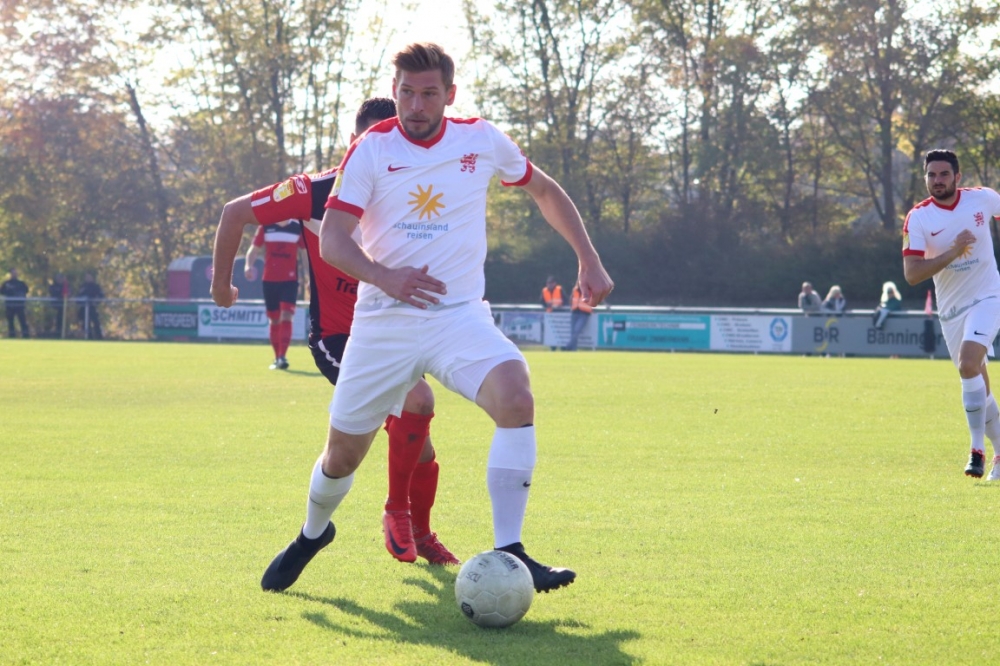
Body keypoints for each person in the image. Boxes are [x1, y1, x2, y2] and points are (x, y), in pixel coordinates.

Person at [256, 42, 613, 596]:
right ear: (394, 91)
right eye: (406, 93)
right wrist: (385, 277)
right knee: (342, 457)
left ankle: (511, 550)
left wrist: (588, 258)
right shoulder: (371, 149)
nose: (416, 105)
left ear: (450, 94)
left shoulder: (481, 139)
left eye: (428, 94)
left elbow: (544, 190)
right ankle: (312, 533)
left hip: (457, 317)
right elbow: (333, 240)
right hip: (383, 324)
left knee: (516, 396)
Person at [212, 97, 459, 569]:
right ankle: (363, 521)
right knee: (401, 415)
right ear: (352, 145)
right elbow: (234, 213)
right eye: (371, 142)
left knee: (420, 439)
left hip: (395, 336)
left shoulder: (419, 195)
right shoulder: (314, 191)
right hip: (338, 338)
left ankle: (420, 533)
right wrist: (221, 285)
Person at [902, 148, 1000, 480]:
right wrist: (953, 251)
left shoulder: (982, 198)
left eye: (944, 174)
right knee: (978, 383)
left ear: (957, 176)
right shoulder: (918, 218)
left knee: (968, 364)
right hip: (952, 310)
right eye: (931, 175)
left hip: (989, 297)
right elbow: (912, 274)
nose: (938, 180)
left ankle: (976, 450)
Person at [244, 219, 307, 370]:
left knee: (286, 315)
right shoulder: (266, 226)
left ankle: (282, 356)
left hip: (290, 280)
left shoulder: (297, 227)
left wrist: (308, 277)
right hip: (269, 280)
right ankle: (277, 357)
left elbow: (305, 254)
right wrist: (248, 265)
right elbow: (254, 248)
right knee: (274, 319)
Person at [563, 280, 594, 351]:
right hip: (575, 312)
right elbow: (571, 299)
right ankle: (573, 349)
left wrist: (606, 305)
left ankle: (568, 346)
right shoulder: (575, 290)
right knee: (573, 332)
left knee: (576, 331)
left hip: (584, 313)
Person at [1, 268, 30, 338]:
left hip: (19, 306)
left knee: (22, 321)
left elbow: (26, 290)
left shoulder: (21, 283)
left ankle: (25, 336)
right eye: (13, 273)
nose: (14, 274)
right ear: (10, 274)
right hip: (10, 306)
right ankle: (12, 336)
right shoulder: (6, 284)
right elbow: (2, 291)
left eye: (15, 273)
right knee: (10, 322)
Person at [77, 273, 104, 340]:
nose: (87, 278)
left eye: (89, 277)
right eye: (86, 277)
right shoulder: (82, 286)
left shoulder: (96, 286)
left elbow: (101, 296)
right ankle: (89, 337)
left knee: (96, 322)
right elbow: (78, 296)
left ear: (92, 277)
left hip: (92, 307)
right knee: (85, 323)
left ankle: (99, 337)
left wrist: (96, 301)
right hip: (83, 308)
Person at [48, 273, 69, 337]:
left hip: (63, 307)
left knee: (62, 320)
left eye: (60, 278)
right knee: (55, 320)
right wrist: (59, 296)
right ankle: (56, 333)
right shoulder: (53, 286)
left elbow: (68, 293)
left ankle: (62, 334)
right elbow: (53, 293)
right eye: (58, 278)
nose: (59, 280)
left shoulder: (65, 286)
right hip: (54, 306)